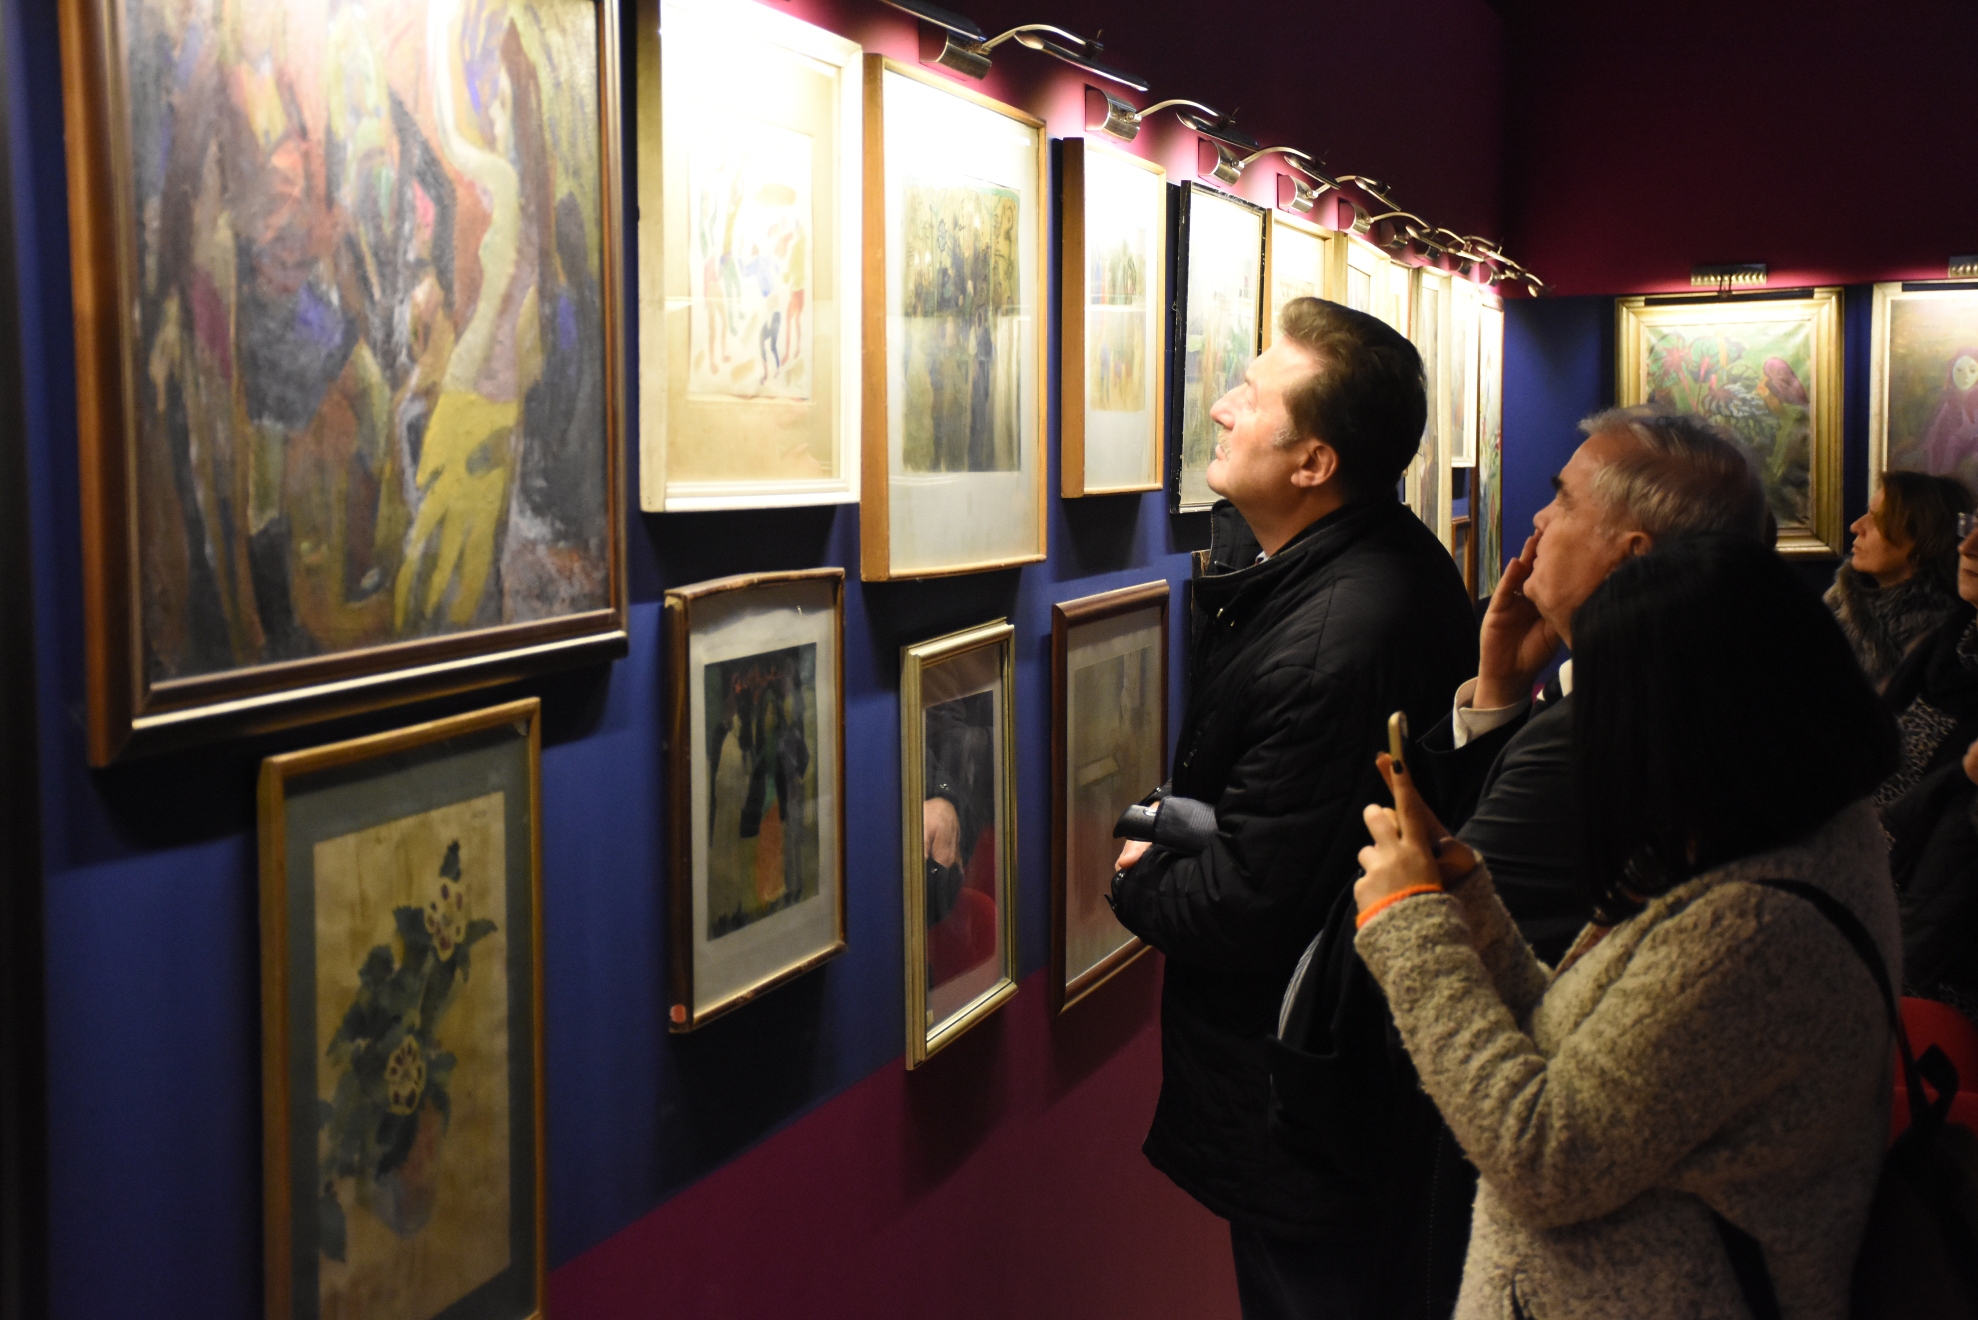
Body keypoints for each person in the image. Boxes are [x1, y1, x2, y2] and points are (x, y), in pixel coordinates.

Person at [1354, 536, 1899, 1320]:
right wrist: (1466, 898)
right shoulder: (1777, 839)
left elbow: (1543, 1155)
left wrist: (1408, 923)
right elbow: (1580, 1042)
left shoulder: (1754, 933)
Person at [1108, 297, 1477, 1319]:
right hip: (1332, 1093)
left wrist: (1135, 879)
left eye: (1251, 395)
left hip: (1310, 1100)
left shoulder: (1336, 638)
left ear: (1312, 462)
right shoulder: (1364, 573)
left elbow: (1251, 901)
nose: (1221, 409)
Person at [1420, 407, 1769, 962]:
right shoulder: (1678, 688)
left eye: (1563, 502)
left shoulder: (1607, 733)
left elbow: (1442, 930)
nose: (1539, 518)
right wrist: (1499, 691)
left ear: (1632, 557)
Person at [1880, 516, 1978, 1019]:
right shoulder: (1951, 645)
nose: (1970, 546)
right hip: (1884, 903)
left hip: (1944, 984)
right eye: (1974, 525)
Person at [1825, 471, 1970, 690]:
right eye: (1868, 512)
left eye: (1879, 520)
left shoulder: (1949, 640)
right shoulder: (1836, 605)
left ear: (1923, 540)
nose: (1856, 526)